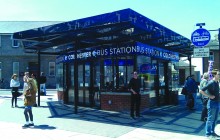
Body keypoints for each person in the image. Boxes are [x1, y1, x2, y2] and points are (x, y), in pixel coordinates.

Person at [199, 69, 220, 138]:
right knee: (210, 119)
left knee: (215, 119)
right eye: (218, 74)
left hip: (217, 102)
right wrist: (209, 96)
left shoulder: (217, 82)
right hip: (212, 103)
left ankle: (212, 132)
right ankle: (207, 134)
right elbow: (201, 90)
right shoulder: (211, 82)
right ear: (214, 75)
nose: (219, 75)